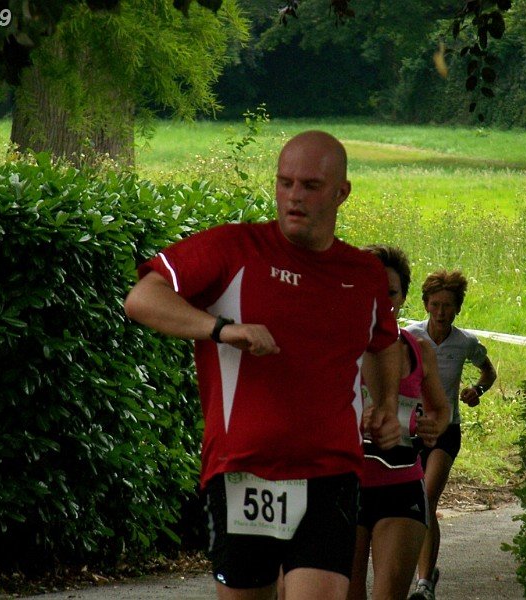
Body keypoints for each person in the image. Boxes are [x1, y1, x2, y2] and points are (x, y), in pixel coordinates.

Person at [124, 130, 403, 600]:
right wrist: (221, 329)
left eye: (310, 186)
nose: (294, 196)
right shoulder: (234, 248)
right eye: (284, 182)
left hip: (331, 471)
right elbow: (141, 299)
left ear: (341, 192)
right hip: (242, 471)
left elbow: (382, 343)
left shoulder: (364, 273)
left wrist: (387, 404)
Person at [348, 245, 449, 600]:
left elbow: (440, 409)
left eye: (389, 292)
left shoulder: (419, 348)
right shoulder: (337, 348)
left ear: (403, 296)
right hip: (346, 487)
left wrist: (434, 426)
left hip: (402, 484)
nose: (380, 300)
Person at [405, 269, 497, 600]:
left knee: (427, 497)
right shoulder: (409, 336)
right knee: (414, 502)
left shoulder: (465, 342)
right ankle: (421, 569)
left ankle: (424, 584)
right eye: (435, 305)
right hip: (411, 429)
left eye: (448, 306)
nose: (441, 313)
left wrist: (477, 390)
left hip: (446, 430)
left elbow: (489, 372)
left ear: (457, 308)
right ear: (425, 305)